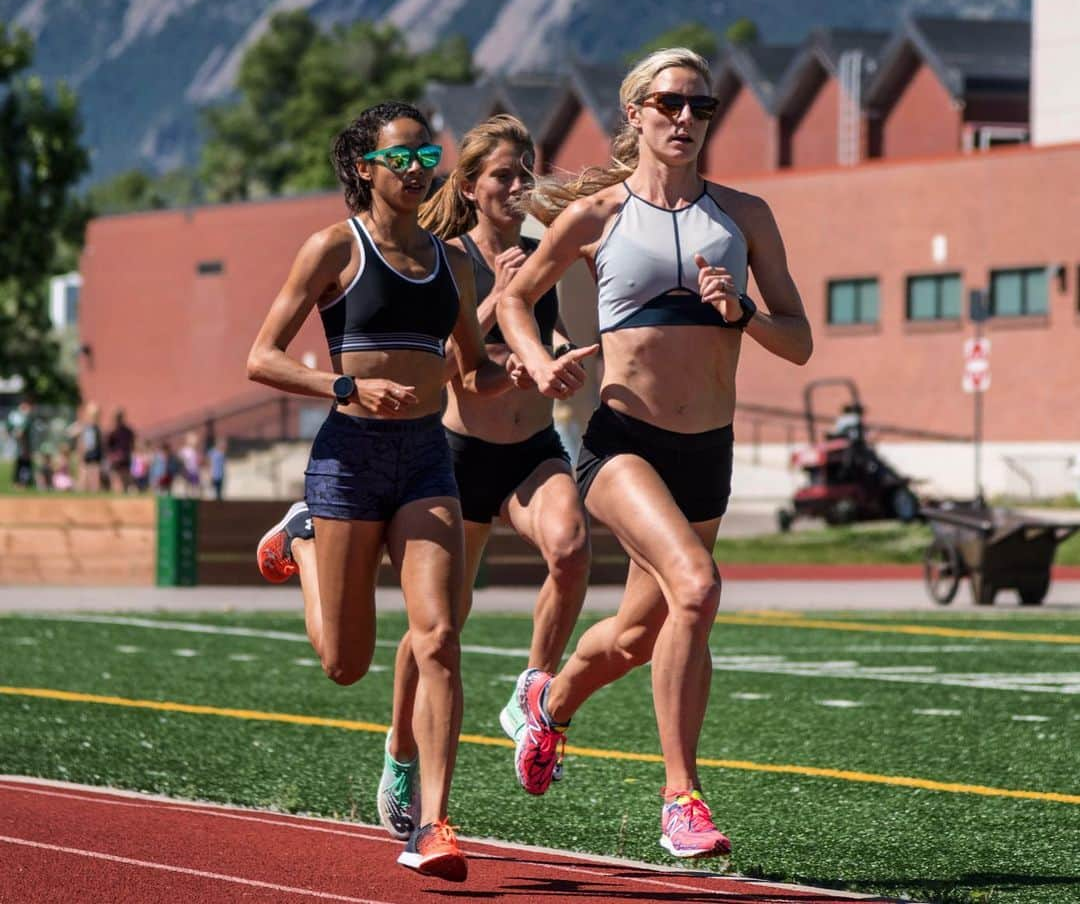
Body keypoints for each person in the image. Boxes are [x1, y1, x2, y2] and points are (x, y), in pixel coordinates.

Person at [496, 48, 812, 861]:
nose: (685, 120)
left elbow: (801, 341)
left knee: (641, 633)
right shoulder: (597, 215)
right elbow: (515, 298)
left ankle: (551, 708)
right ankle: (681, 797)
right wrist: (537, 362)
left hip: (708, 449)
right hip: (622, 443)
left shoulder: (745, 215)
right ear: (635, 112)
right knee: (697, 588)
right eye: (670, 103)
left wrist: (740, 312)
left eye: (702, 108)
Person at [247, 100, 510, 882]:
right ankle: (301, 533)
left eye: (425, 155)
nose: (417, 168)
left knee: (439, 635)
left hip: (428, 461)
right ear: (364, 169)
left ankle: (433, 824)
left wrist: (524, 371)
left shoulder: (455, 264)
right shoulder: (335, 248)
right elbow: (261, 358)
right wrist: (343, 388)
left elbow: (473, 373)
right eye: (401, 157)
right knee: (345, 664)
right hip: (350, 463)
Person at [372, 114, 591, 840]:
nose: (518, 185)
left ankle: (531, 694)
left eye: (526, 172)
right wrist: (497, 299)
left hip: (530, 448)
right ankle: (401, 750)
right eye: (504, 173)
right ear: (468, 184)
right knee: (440, 628)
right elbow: (444, 365)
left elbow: (547, 329)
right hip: (459, 458)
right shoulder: (446, 259)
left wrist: (559, 359)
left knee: (570, 547)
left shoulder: (537, 254)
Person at [68, 403, 103, 492]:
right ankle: (83, 489)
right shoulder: (86, 426)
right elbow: (71, 432)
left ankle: (92, 489)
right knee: (85, 471)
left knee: (93, 471)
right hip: (87, 452)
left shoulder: (95, 428)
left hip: (93, 452)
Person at [6, 397, 35, 489]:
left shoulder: (25, 415)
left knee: (25, 463)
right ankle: (18, 482)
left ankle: (24, 482)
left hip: (24, 443)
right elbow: (10, 427)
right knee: (21, 463)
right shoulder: (17, 414)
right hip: (19, 443)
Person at [105, 409, 136, 493]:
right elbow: (108, 446)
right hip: (117, 459)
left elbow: (132, 443)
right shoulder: (113, 432)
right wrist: (113, 455)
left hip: (124, 458)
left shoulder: (127, 431)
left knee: (125, 478)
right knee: (117, 479)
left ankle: (125, 492)